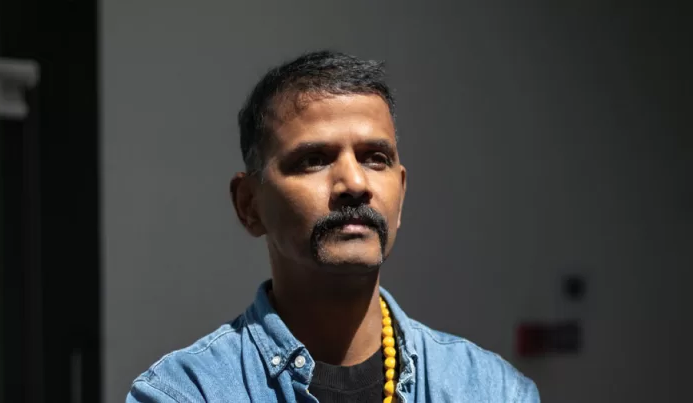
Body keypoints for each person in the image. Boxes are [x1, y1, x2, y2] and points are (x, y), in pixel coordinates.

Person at [127, 50, 540, 403]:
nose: (355, 183)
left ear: (400, 193)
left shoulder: (491, 389)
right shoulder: (185, 393)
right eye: (314, 160)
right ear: (249, 205)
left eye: (375, 158)